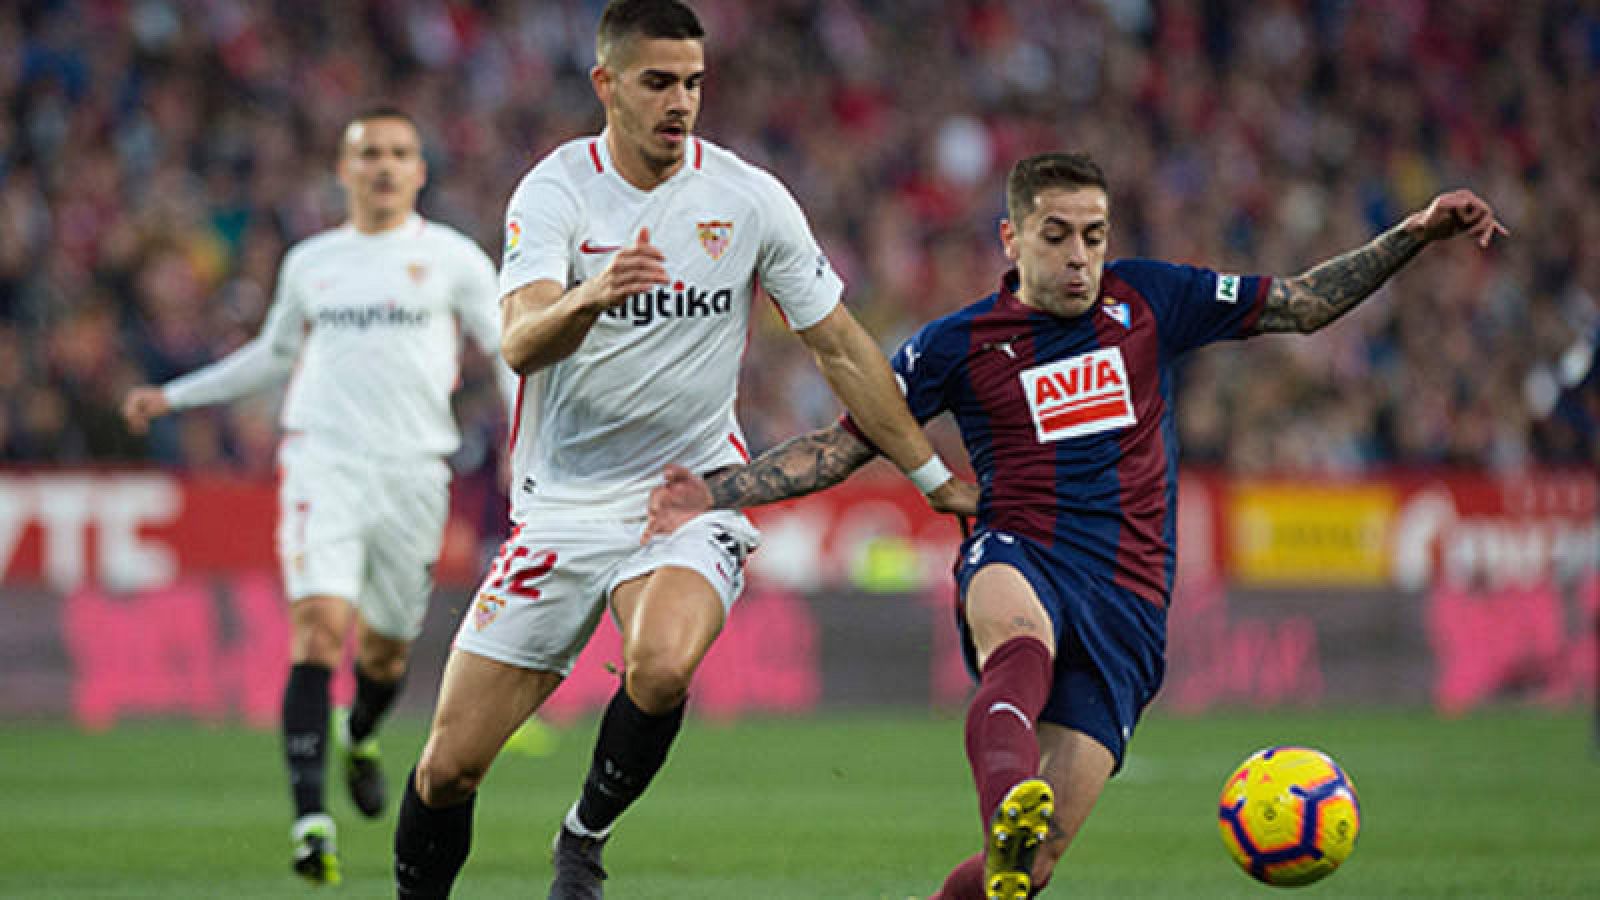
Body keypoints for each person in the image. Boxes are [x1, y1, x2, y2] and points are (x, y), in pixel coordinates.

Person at [645, 151, 1506, 899]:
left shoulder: (1154, 298)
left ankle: (987, 859)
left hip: (1130, 599)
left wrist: (1416, 232)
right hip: (1020, 547)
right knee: (1020, 640)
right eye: (1057, 235)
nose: (1080, 256)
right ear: (1012, 239)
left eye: (1094, 235)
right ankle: (1007, 799)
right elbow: (837, 451)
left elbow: (1304, 303)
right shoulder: (957, 344)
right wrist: (712, 494)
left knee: (1034, 867)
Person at [390, 2, 966, 898]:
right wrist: (591, 296)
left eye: (693, 83)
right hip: (562, 508)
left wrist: (928, 472)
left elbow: (841, 345)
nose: (680, 102)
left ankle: (582, 840)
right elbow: (517, 341)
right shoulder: (556, 192)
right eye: (658, 81)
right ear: (606, 84)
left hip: (688, 495)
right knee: (446, 770)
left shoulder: (746, 199)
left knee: (661, 664)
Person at [122, 107, 513, 887]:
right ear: (344, 170)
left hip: (414, 471)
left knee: (386, 650)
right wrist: (176, 396)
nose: (384, 166)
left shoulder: (453, 260)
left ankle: (359, 736)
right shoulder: (313, 262)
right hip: (321, 462)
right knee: (317, 629)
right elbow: (271, 356)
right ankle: (310, 822)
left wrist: (525, 442)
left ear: (420, 170)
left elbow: (508, 350)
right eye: (369, 153)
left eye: (400, 153)